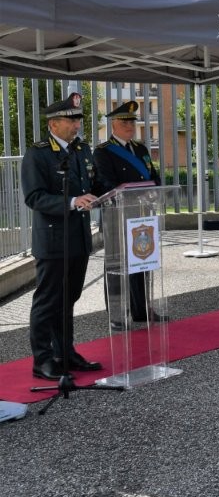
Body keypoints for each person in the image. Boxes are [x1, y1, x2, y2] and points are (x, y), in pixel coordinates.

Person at [22, 93, 102, 380]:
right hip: (53, 240)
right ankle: (42, 360)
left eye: (78, 119)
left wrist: (110, 193)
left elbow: (93, 183)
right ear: (53, 124)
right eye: (72, 120)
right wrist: (72, 201)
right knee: (48, 301)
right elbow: (34, 197)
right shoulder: (38, 153)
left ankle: (65, 353)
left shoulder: (82, 149)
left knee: (69, 299)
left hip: (78, 238)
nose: (77, 125)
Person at [93, 100, 166, 329]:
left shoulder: (141, 149)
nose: (130, 126)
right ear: (113, 124)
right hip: (117, 215)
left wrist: (155, 190)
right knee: (117, 268)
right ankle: (117, 315)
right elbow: (106, 183)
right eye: (125, 122)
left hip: (142, 215)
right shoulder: (103, 151)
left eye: (132, 122)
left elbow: (154, 177)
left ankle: (141, 310)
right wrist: (135, 195)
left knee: (142, 262)